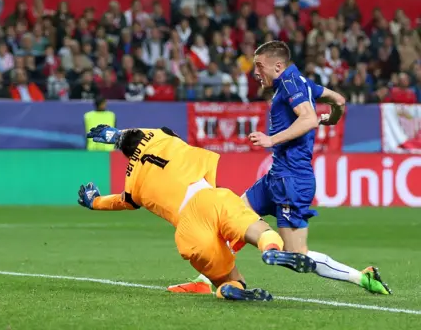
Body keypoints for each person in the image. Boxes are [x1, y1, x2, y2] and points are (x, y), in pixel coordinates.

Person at [172, 41, 391, 295]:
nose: (255, 73)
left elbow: (308, 118)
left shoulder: (291, 83)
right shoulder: (301, 83)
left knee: (296, 256)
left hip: (292, 180)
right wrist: (330, 118)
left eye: (259, 66)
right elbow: (339, 100)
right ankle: (205, 279)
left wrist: (271, 139)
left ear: (278, 65)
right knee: (229, 218)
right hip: (276, 176)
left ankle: (362, 277)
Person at [78, 125, 317, 301]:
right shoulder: (165, 138)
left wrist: (95, 201)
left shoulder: (133, 184)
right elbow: (150, 133)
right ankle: (272, 250)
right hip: (211, 199)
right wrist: (117, 135)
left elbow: (123, 201)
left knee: (229, 279)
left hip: (188, 230)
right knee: (258, 230)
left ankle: (230, 289)